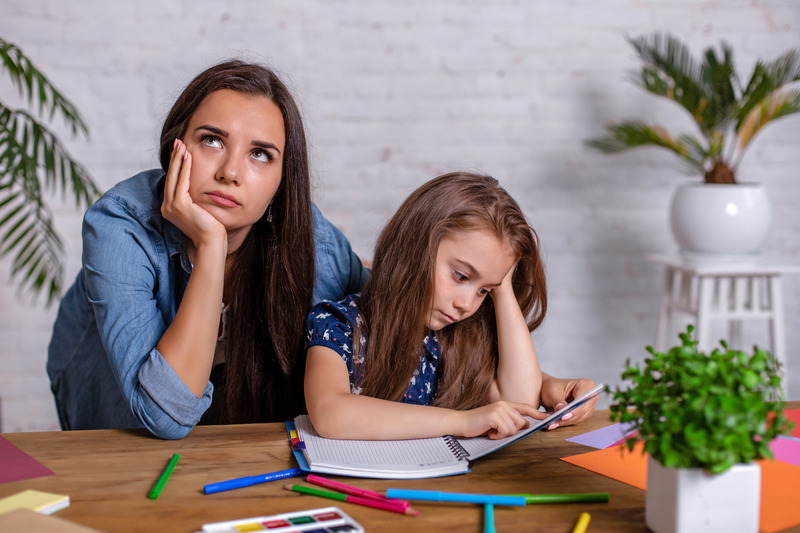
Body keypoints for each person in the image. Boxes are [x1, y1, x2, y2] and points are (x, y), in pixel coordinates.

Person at [46, 60, 369, 439]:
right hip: (111, 386)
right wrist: (212, 245)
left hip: (234, 403)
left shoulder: (314, 242)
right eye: (212, 140)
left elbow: (392, 320)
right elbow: (163, 416)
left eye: (260, 154)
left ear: (283, 181)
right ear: (175, 146)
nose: (230, 172)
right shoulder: (121, 224)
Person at [304, 171, 596, 440]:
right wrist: (462, 421)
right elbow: (331, 414)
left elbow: (521, 401)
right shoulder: (337, 325)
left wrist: (502, 285)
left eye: (483, 290)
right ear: (414, 246)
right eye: (461, 276)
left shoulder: (457, 340)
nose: (466, 304)